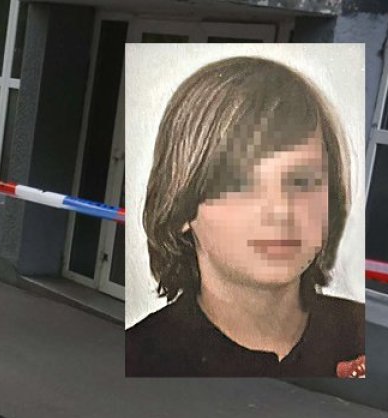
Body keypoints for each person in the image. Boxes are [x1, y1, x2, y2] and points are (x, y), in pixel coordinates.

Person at [125, 56, 365, 378]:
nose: (281, 210)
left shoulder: (361, 334)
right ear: (181, 205)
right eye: (241, 184)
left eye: (302, 181)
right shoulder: (140, 358)